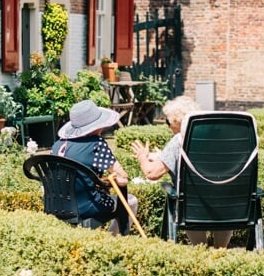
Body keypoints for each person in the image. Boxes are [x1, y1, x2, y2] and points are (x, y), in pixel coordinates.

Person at [131, 96, 233, 248]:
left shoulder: (179, 139)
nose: (167, 126)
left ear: (177, 122)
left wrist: (142, 157)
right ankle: (220, 250)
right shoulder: (221, 139)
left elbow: (152, 173)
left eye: (167, 121)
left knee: (187, 198)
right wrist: (164, 156)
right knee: (218, 195)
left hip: (194, 207)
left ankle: (201, 250)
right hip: (228, 206)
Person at [52, 99, 138, 235]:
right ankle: (114, 240)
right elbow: (122, 178)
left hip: (56, 206)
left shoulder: (57, 145)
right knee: (131, 201)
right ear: (97, 126)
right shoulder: (96, 144)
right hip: (86, 206)